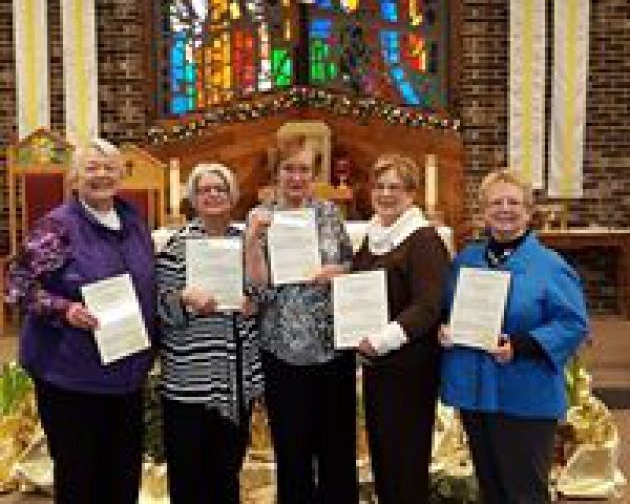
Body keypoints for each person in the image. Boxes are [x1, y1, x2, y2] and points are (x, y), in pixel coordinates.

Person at [7, 138, 156, 504]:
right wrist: (64, 309)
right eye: (92, 168)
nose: (101, 175)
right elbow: (17, 285)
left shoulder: (133, 220)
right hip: (71, 374)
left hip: (125, 371)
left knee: (122, 475)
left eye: (110, 168)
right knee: (80, 478)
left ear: (122, 174)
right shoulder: (57, 227)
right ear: (74, 177)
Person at [440, 168, 589, 504]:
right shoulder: (466, 261)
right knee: (490, 489)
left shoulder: (550, 265)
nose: (504, 209)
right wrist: (445, 329)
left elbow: (573, 323)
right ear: (483, 210)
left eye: (513, 202)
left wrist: (521, 345)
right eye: (496, 203)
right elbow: (448, 309)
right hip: (476, 393)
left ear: (528, 211)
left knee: (525, 493)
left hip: (525, 394)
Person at [245, 135, 359, 504]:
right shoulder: (259, 217)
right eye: (289, 169)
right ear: (276, 173)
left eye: (304, 170)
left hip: (331, 349)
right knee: (292, 453)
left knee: (336, 451)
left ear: (314, 174)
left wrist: (337, 273)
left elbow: (351, 266)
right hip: (282, 350)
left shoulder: (330, 214)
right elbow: (255, 291)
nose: (296, 177)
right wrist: (254, 243)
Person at [156, 163, 263, 504]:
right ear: (194, 199)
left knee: (226, 473)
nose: (213, 195)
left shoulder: (247, 241)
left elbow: (264, 292)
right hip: (190, 380)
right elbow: (161, 307)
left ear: (233, 196)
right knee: (188, 476)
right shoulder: (176, 246)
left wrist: (255, 304)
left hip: (235, 379)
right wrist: (184, 299)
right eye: (205, 190)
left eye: (221, 188)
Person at [352, 153, 450, 504]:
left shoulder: (423, 239)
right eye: (379, 186)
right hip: (380, 367)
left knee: (406, 461)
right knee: (385, 457)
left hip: (411, 368)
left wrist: (381, 340)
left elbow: (429, 306)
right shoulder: (374, 235)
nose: (385, 194)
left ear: (411, 193)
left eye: (395, 187)